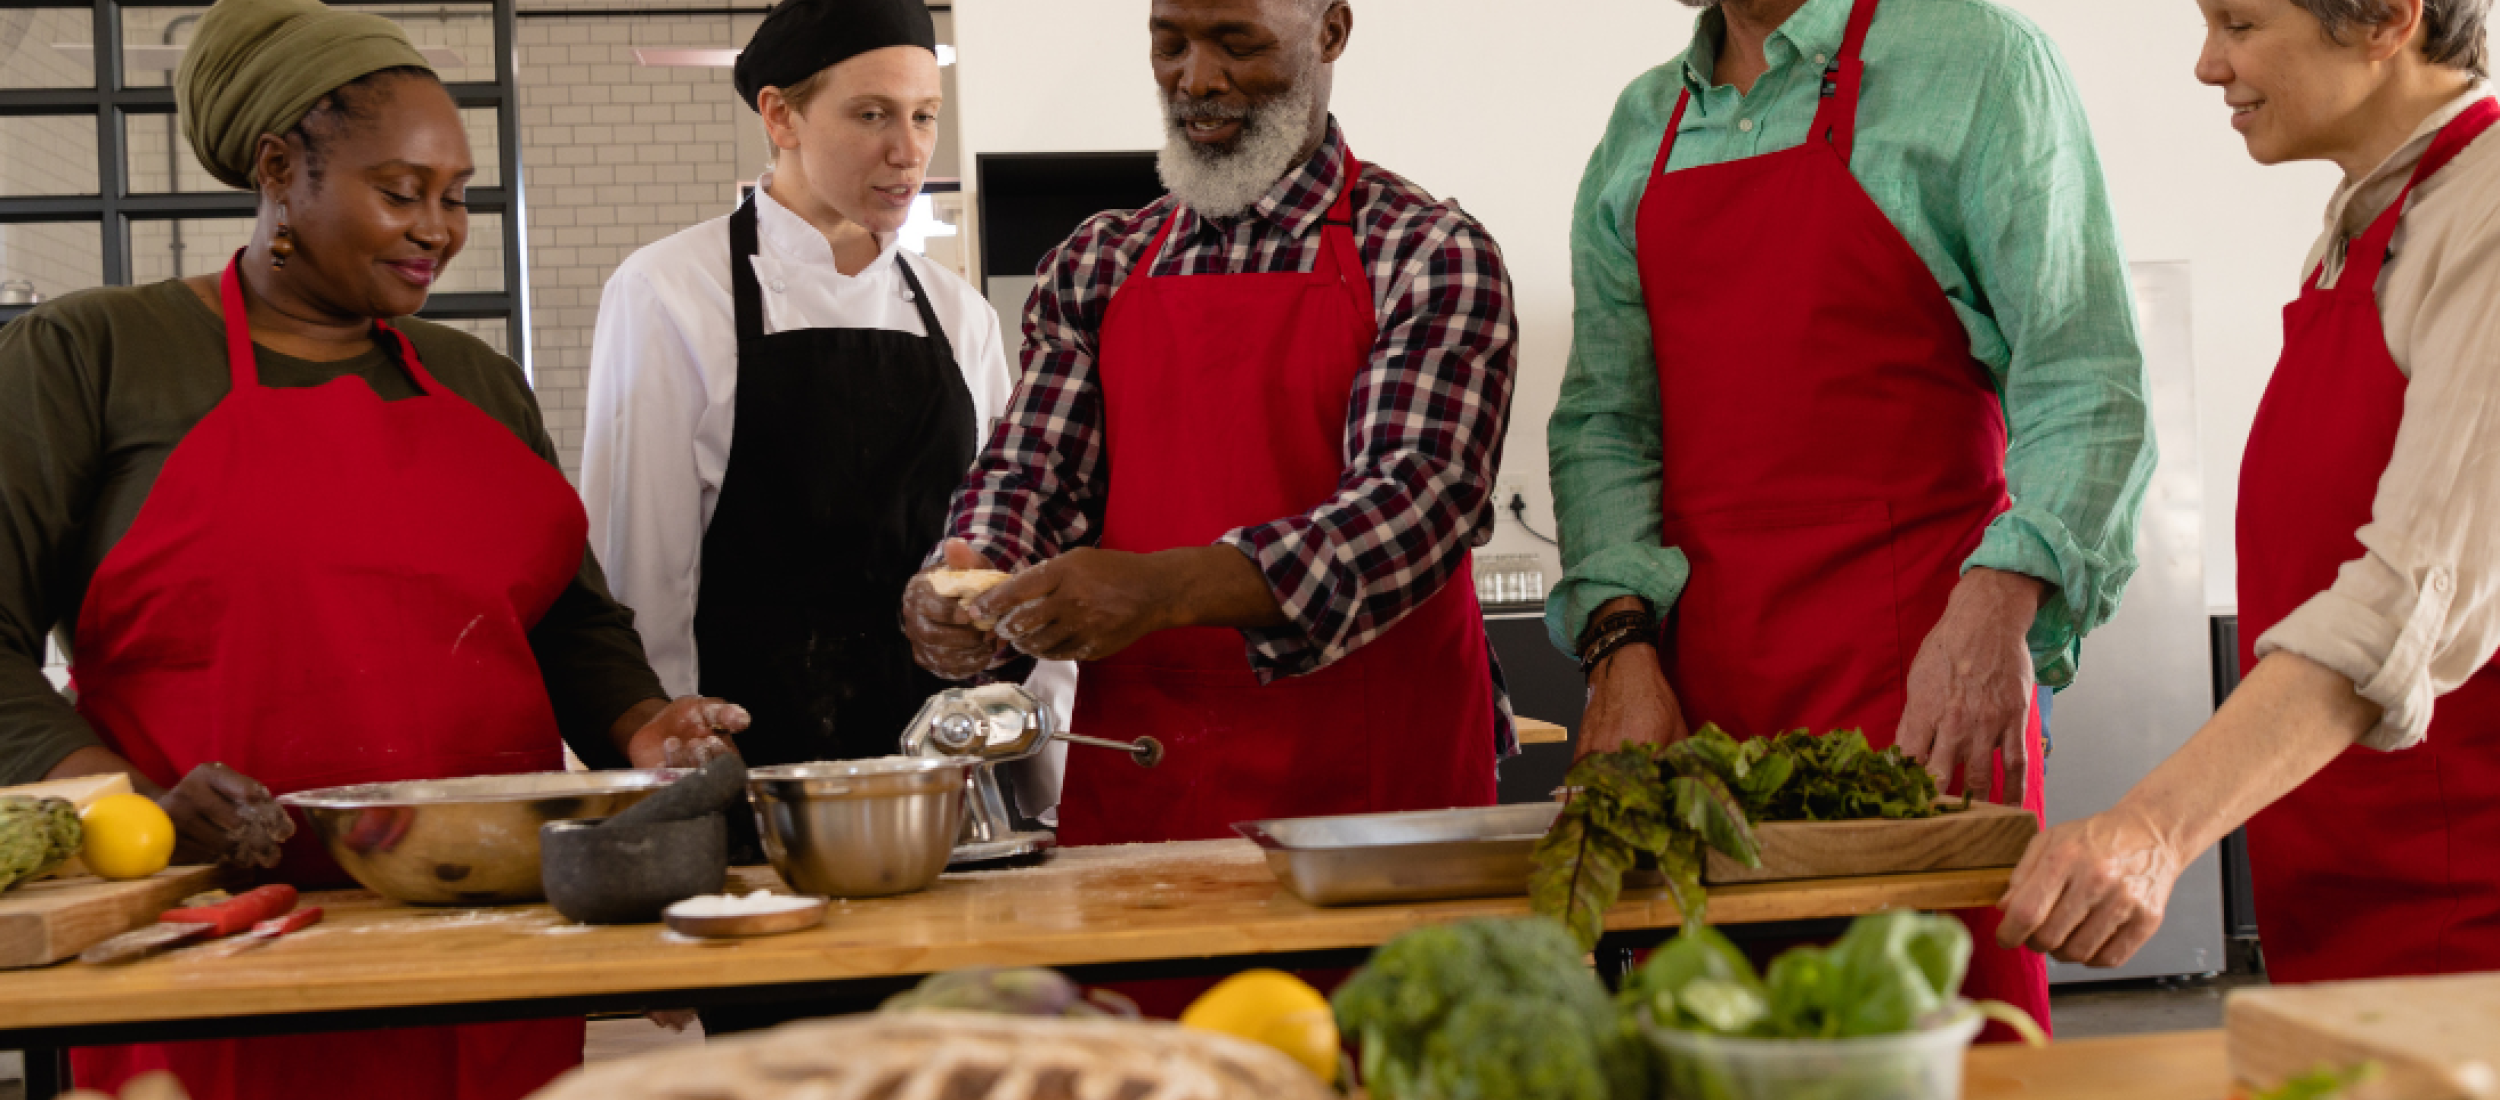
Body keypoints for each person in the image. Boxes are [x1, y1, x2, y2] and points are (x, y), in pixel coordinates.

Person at [0, 0, 740, 1094]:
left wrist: (645, 725)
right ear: (277, 171)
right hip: (215, 938)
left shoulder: (477, 381)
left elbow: (569, 624)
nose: (437, 228)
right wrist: (128, 803)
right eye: (400, 192)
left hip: (483, 932)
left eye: (455, 198)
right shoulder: (96, 352)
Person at [1546, 0, 2156, 1038]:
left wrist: (1998, 603)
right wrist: (1617, 647)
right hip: (1696, 723)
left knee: (1935, 1044)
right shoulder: (1640, 123)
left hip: (1926, 697)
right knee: (1713, 1047)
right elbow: (1605, 422)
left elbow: (2083, 373)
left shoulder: (1978, 64)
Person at [901, 0, 1518, 852]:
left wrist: (1160, 590)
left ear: (1331, 32)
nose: (1197, 79)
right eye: (1170, 43)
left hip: (1376, 799)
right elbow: (1031, 473)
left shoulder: (1426, 254)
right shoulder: (1097, 262)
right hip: (1147, 782)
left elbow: (1409, 506)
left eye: (1238, 44)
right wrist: (971, 574)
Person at [2001, 0, 2500, 983]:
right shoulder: (2359, 229)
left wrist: (2152, 825)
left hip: (2463, 916)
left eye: (2238, 22)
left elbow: (2406, 601)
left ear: (2383, 22)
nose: (2205, 64)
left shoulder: (2486, 218)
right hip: (2335, 896)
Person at [584, 0, 1071, 782]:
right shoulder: (670, 290)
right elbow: (643, 573)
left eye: (924, 116)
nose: (906, 151)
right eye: (871, 114)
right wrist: (676, 774)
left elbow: (1003, 552)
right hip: (753, 769)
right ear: (781, 116)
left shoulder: (960, 316)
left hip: (941, 772)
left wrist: (1038, 778)